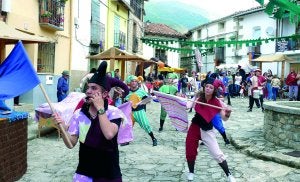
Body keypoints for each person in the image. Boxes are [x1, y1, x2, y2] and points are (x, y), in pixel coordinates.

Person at [52, 61, 124, 181]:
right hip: (84, 173)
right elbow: (71, 144)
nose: (88, 91)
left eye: (93, 88)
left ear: (105, 93)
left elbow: (109, 134)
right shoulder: (79, 114)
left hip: (108, 173)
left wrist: (101, 109)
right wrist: (63, 128)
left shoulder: (114, 112)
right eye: (88, 87)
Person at [185, 77, 235, 182]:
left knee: (216, 153)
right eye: (206, 86)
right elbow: (188, 105)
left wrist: (228, 113)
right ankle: (191, 172)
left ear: (214, 90)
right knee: (190, 149)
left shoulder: (217, 102)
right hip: (195, 126)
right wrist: (180, 99)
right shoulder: (198, 96)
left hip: (207, 129)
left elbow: (224, 118)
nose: (208, 89)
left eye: (211, 87)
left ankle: (229, 175)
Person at [125, 75, 158, 146]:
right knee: (128, 126)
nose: (133, 82)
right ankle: (127, 140)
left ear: (137, 83)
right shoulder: (127, 92)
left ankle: (154, 138)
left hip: (140, 111)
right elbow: (125, 102)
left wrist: (142, 103)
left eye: (135, 81)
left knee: (146, 125)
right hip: (130, 112)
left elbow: (148, 101)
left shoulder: (141, 91)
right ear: (129, 83)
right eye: (132, 81)